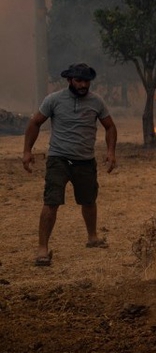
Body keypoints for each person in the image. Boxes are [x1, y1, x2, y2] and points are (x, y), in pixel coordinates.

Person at [23, 63, 118, 266]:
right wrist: (27, 151)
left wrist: (110, 152)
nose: (83, 84)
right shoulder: (54, 100)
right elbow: (35, 123)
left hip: (85, 160)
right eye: (79, 80)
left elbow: (109, 126)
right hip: (59, 159)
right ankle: (42, 249)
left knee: (89, 200)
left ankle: (92, 237)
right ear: (69, 81)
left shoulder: (97, 102)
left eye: (86, 81)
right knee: (51, 202)